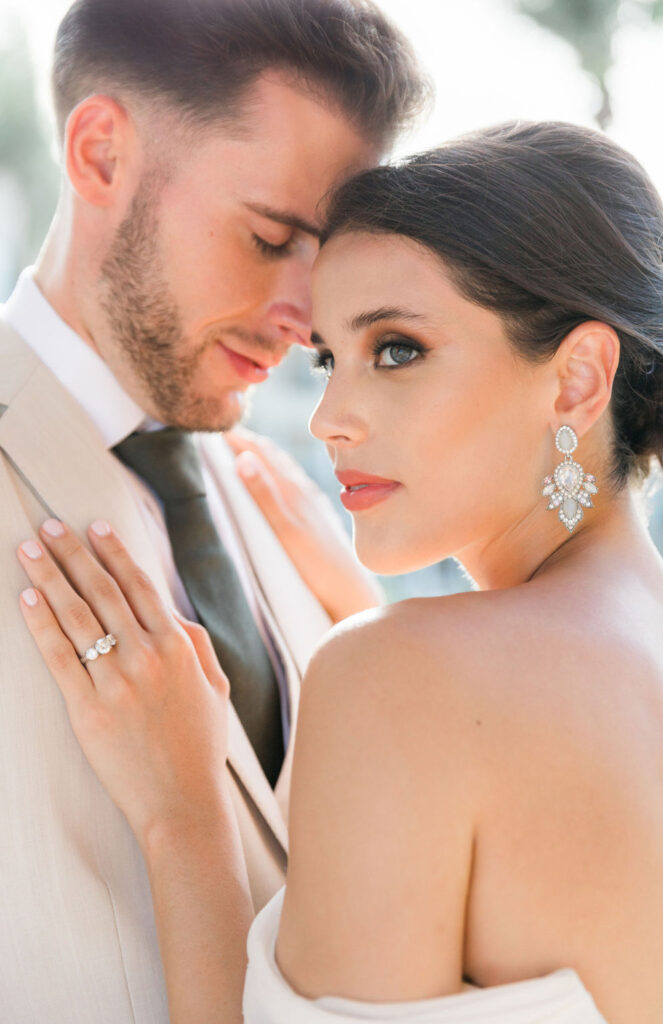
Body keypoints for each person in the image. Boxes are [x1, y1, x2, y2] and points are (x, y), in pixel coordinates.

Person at [16, 121, 663, 1024]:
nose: (329, 417)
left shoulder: (399, 680)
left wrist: (185, 817)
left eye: (396, 349)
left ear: (575, 379)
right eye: (328, 357)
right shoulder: (653, 641)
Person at [0, 0, 428, 1019]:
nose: (305, 316)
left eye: (324, 257)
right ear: (101, 155)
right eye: (269, 236)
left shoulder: (274, 494)